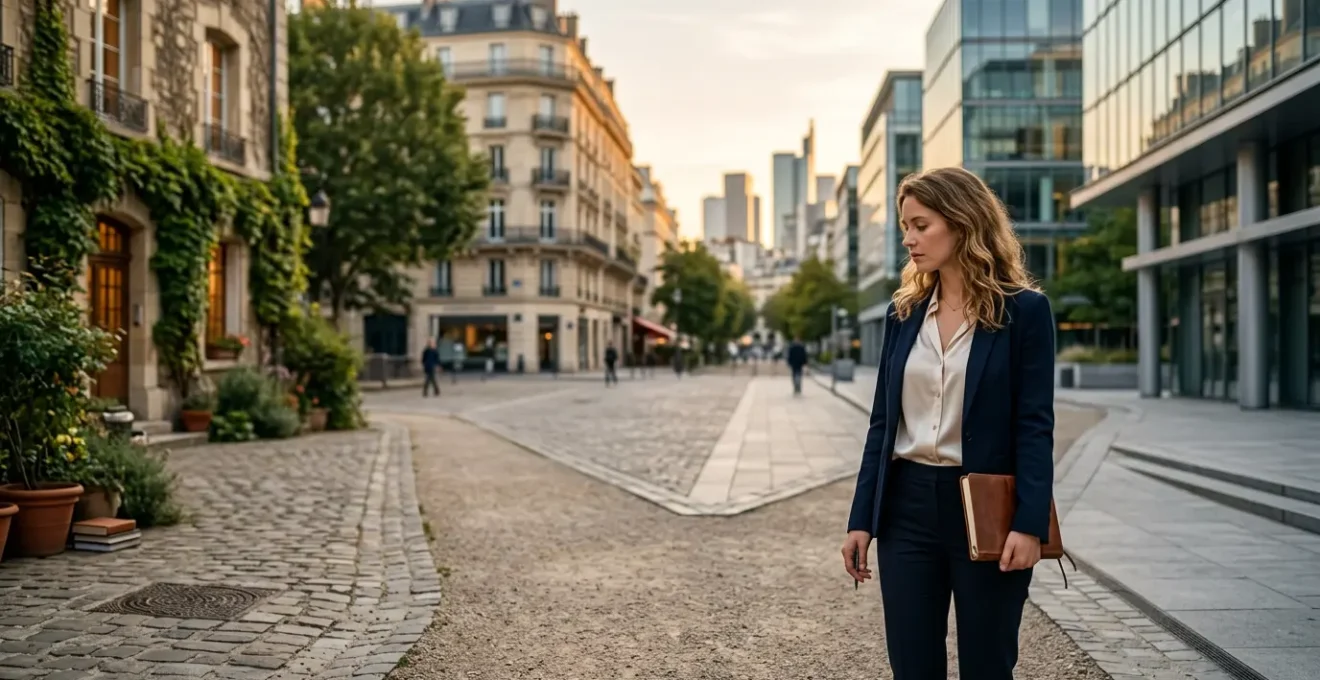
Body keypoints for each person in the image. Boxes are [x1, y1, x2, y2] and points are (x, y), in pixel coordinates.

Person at [841, 167, 1055, 680]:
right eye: (905, 228)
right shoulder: (904, 313)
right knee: (913, 667)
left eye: (921, 225)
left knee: (987, 665)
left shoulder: (1024, 311)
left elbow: (1034, 426)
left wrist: (1029, 525)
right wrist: (861, 518)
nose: (909, 240)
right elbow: (881, 425)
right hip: (906, 507)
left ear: (961, 222)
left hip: (985, 505)